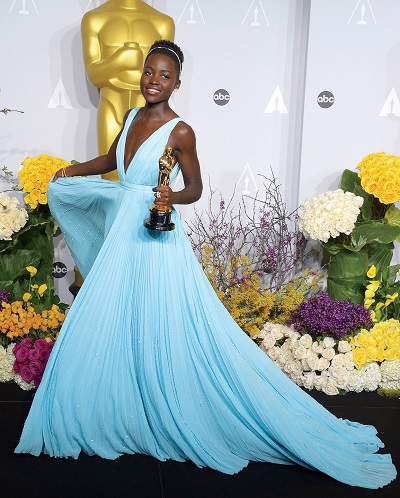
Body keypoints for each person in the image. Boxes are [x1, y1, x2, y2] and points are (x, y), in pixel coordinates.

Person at [15, 40, 396, 490]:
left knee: (161, 317)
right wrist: (71, 170)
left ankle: (165, 397)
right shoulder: (132, 116)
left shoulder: (181, 132)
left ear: (178, 83)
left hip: (154, 237)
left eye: (164, 76)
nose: (154, 81)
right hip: (123, 229)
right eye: (148, 72)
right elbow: (112, 162)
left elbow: (194, 187)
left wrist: (168, 196)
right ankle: (122, 401)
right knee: (114, 315)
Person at [81, 0, 175, 182]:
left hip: (150, 114)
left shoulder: (163, 23)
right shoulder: (95, 19)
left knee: (147, 183)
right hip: (111, 107)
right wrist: (119, 61)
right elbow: (94, 76)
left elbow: (167, 75)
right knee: (110, 184)